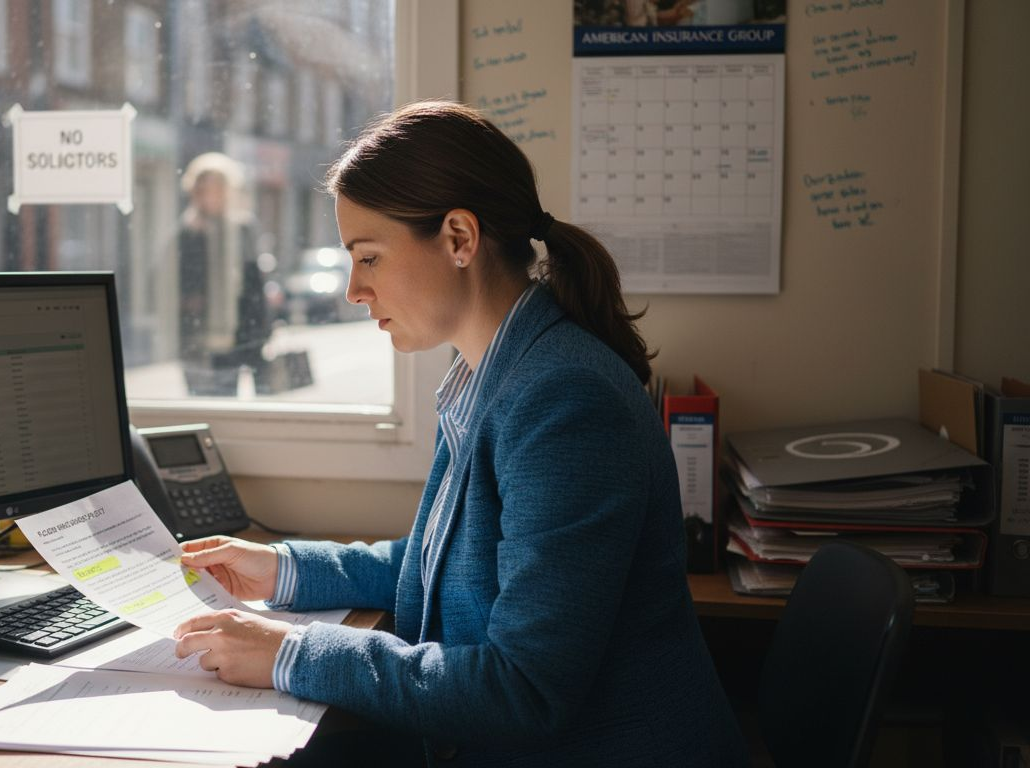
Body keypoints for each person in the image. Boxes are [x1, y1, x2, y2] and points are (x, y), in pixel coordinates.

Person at [172, 101, 747, 767]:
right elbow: (438, 562)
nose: (354, 290)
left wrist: (291, 653)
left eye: (370, 257)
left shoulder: (566, 400)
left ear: (459, 239)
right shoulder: (486, 371)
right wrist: (281, 569)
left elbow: (523, 693)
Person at [174, 152, 270, 392]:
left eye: (217, 188)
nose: (210, 196)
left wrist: (261, 331)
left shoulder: (242, 227)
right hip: (196, 337)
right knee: (201, 403)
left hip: (236, 336)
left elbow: (254, 281)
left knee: (227, 401)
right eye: (203, 189)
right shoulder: (186, 232)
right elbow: (171, 280)